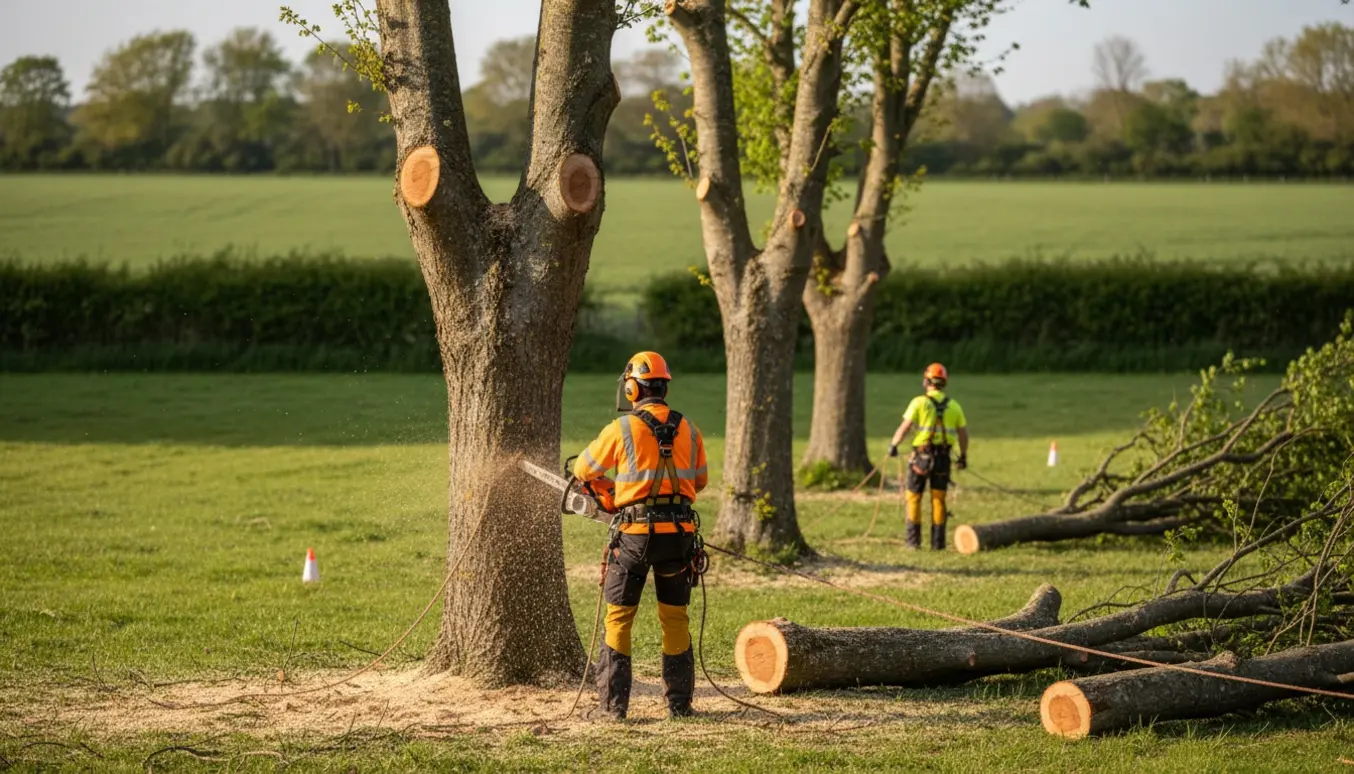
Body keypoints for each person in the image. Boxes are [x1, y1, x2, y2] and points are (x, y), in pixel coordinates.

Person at [572, 351, 709, 721]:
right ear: (664, 386)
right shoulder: (690, 429)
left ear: (631, 388)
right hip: (679, 535)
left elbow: (584, 469)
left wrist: (615, 489)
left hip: (634, 537)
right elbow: (699, 480)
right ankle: (680, 705)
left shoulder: (621, 429)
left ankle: (613, 708)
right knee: (675, 617)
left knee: (618, 617)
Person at [887, 362, 968, 551]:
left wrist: (893, 445)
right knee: (938, 499)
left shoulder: (919, 402)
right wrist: (963, 456)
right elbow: (964, 435)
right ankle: (938, 544)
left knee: (913, 497)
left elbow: (905, 427)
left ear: (927, 381)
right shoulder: (954, 406)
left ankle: (913, 543)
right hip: (943, 458)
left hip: (921, 458)